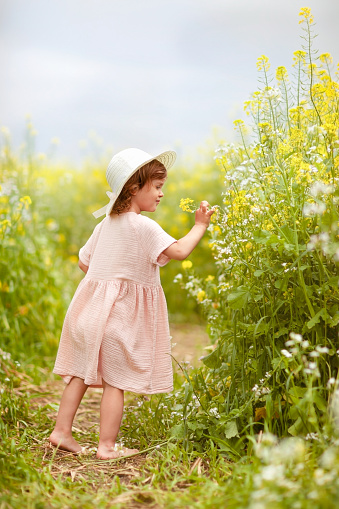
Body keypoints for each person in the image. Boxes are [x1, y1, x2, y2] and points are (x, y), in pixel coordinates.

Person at [49, 148, 214, 459]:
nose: (162, 194)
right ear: (135, 188)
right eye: (157, 187)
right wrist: (200, 226)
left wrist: (112, 273)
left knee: (79, 375)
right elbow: (178, 251)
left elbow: (86, 264)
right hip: (116, 321)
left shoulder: (105, 225)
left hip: (88, 314)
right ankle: (106, 447)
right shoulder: (142, 226)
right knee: (116, 383)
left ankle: (61, 432)